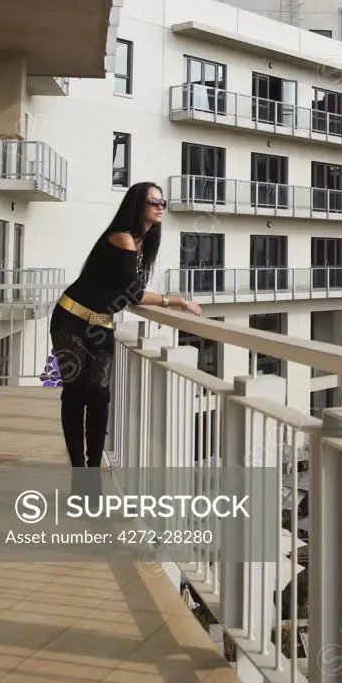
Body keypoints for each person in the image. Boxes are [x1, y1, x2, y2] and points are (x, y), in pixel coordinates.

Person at [50, 182, 201, 468]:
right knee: (75, 393)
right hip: (71, 318)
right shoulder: (122, 238)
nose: (159, 206)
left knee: (100, 394)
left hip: (99, 322)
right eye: (152, 202)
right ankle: (79, 470)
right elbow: (133, 293)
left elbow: (126, 293)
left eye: (162, 203)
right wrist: (178, 301)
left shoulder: (141, 242)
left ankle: (93, 469)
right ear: (137, 206)